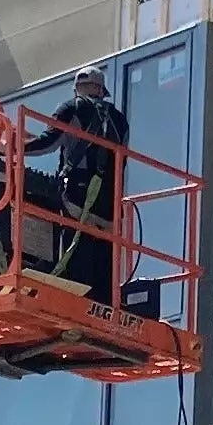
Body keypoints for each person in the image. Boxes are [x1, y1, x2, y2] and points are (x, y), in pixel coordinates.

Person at [29, 66, 131, 306]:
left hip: (78, 201)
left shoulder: (72, 108)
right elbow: (121, 164)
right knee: (103, 283)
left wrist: (14, 148)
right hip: (109, 211)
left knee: (76, 275)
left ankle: (75, 305)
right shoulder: (120, 122)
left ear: (81, 88)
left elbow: (48, 143)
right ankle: (106, 313)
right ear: (101, 90)